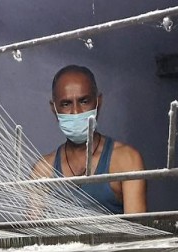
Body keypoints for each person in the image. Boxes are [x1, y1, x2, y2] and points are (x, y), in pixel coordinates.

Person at [32, 65, 146, 214]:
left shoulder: (125, 160)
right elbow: (34, 231)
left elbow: (139, 232)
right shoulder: (44, 170)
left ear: (98, 102)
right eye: (66, 104)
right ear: (54, 109)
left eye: (84, 101)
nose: (76, 112)